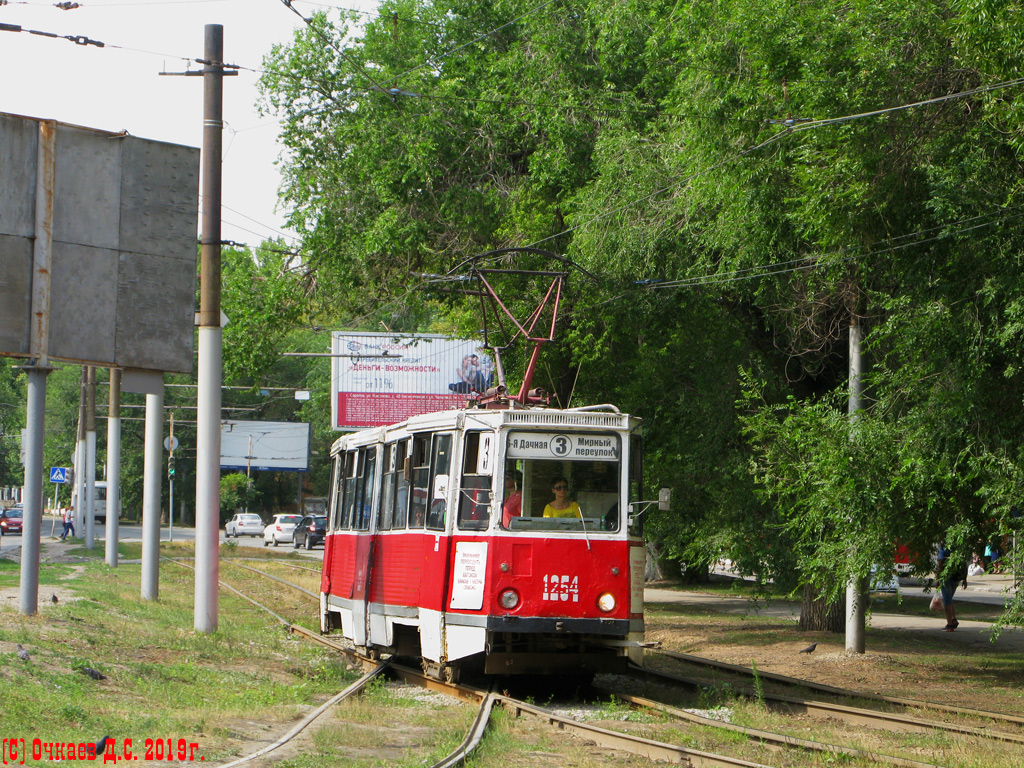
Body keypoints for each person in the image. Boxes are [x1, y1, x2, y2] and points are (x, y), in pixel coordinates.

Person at [936, 544, 968, 632]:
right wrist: (964, 579)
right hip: (956, 578)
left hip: (946, 578)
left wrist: (937, 579)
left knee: (947, 601)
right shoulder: (958, 547)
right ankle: (953, 619)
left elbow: (940, 563)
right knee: (949, 599)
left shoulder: (943, 548)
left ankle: (949, 625)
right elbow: (963, 564)